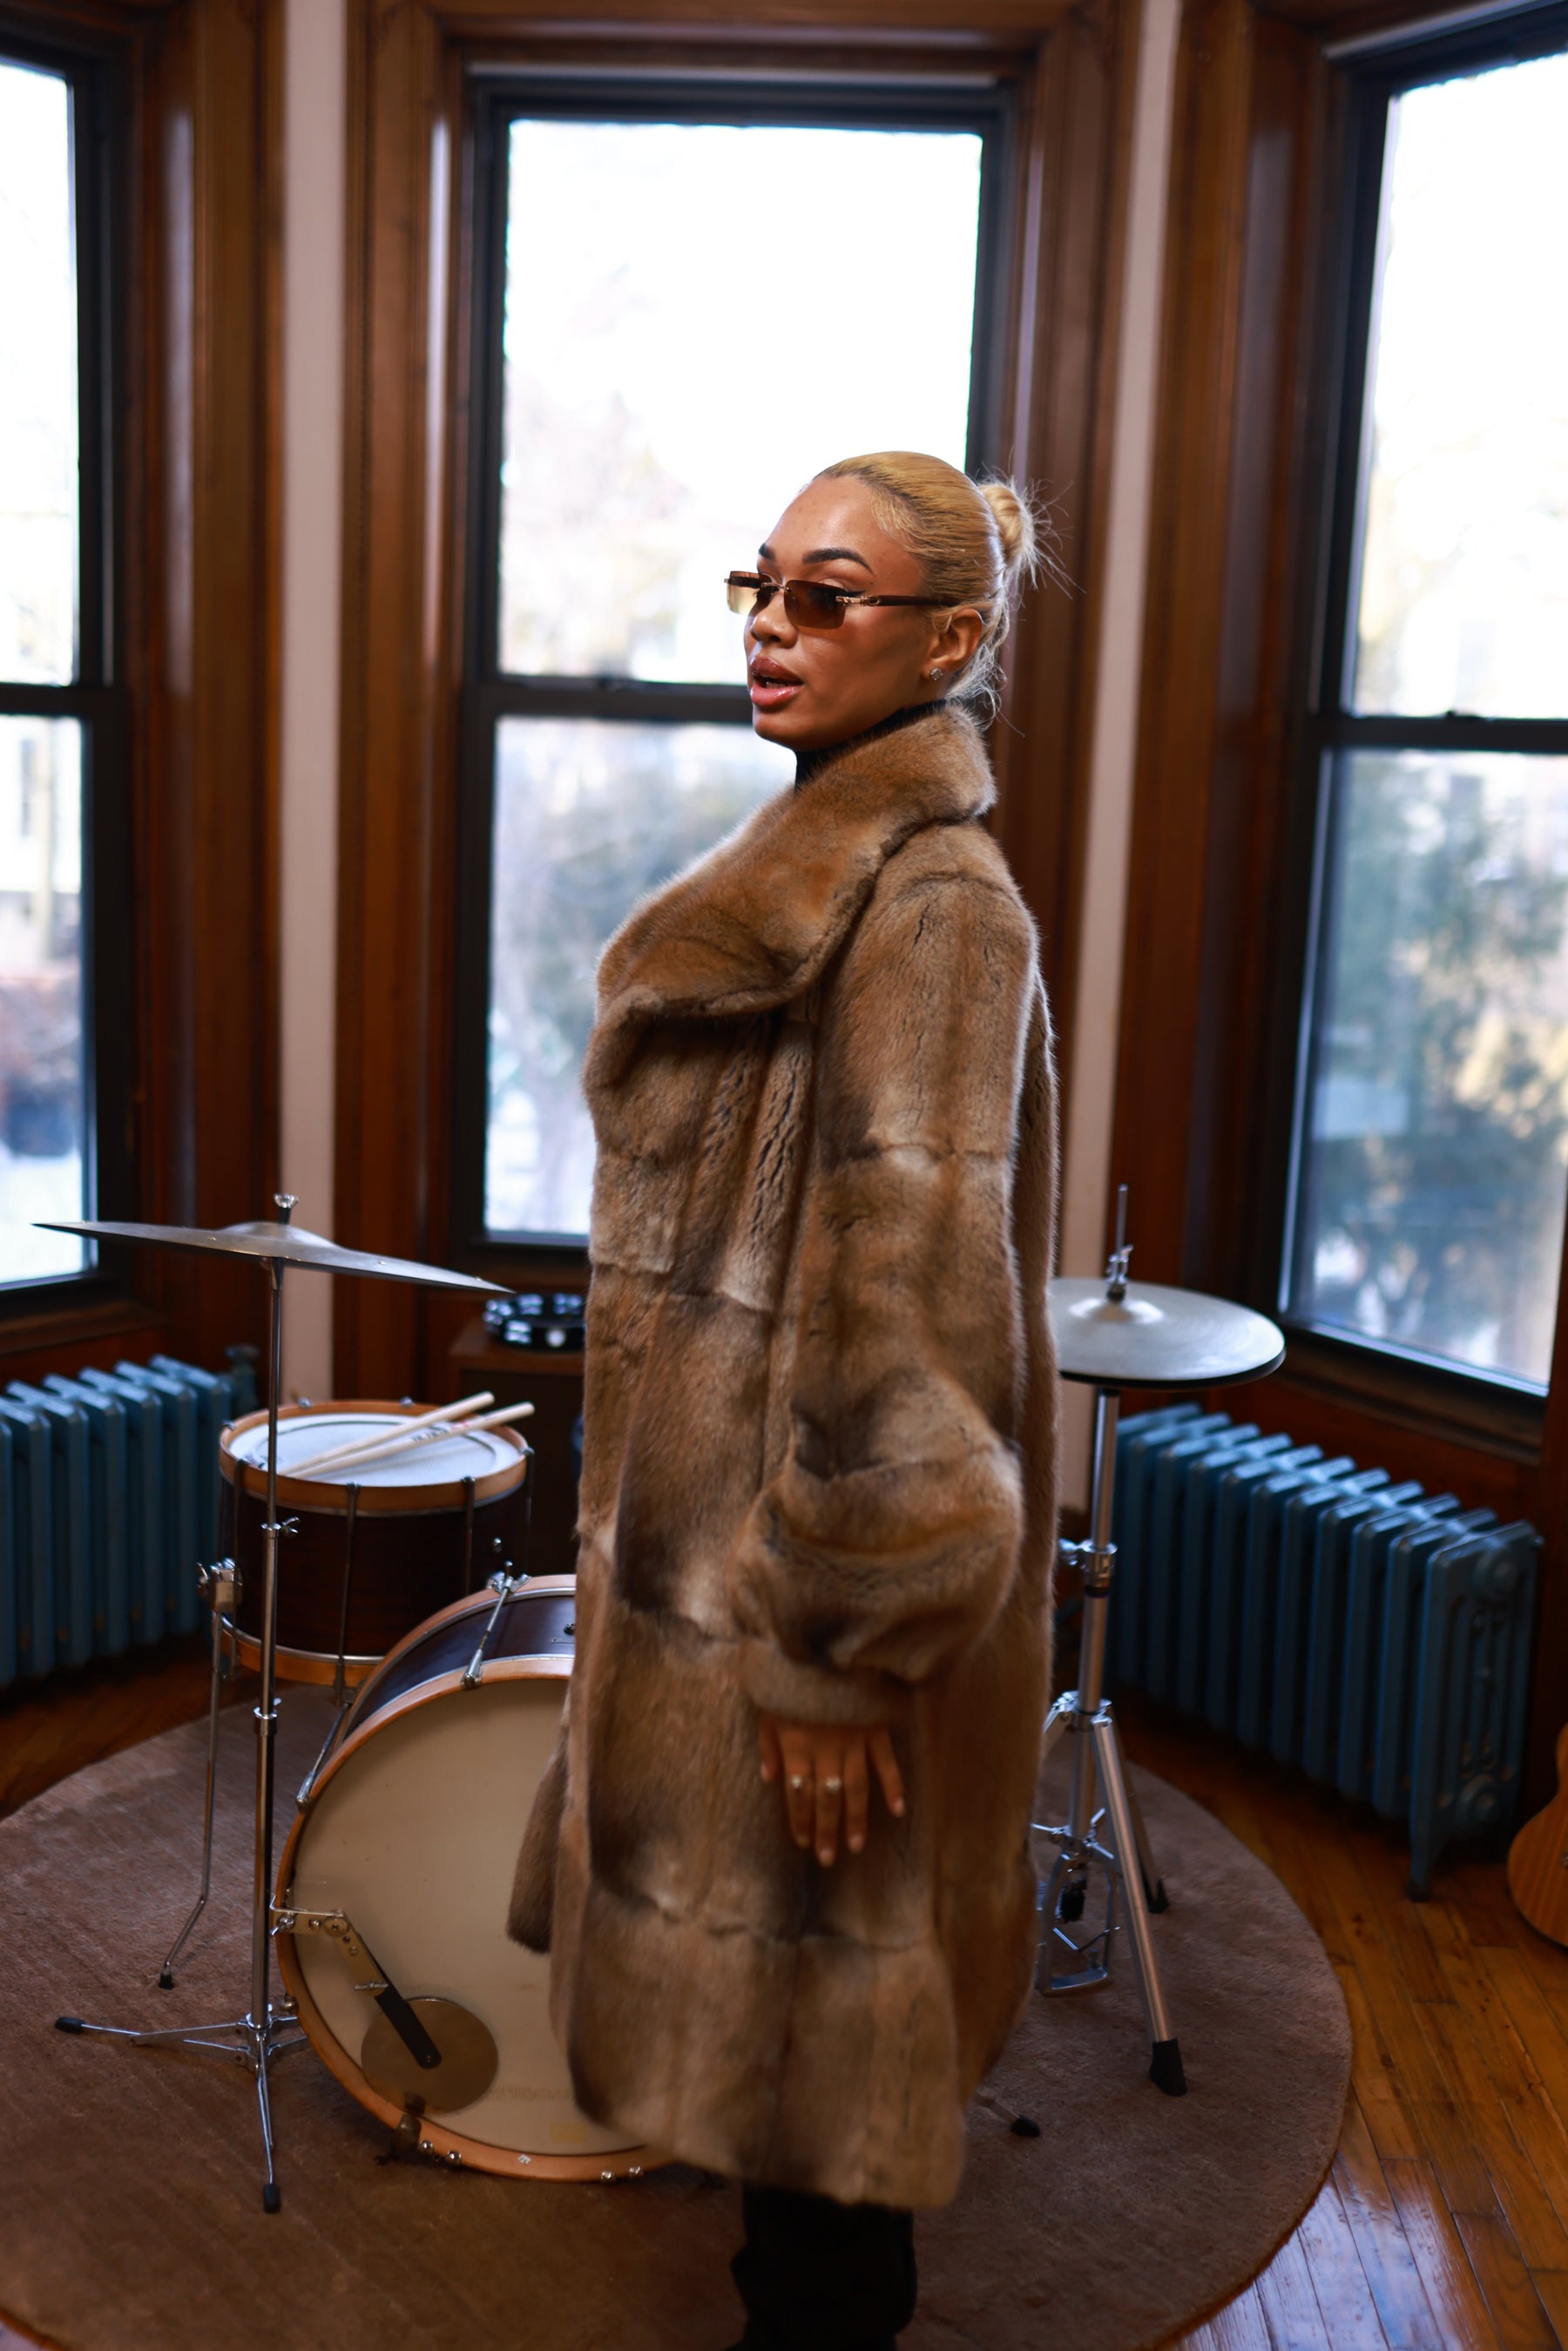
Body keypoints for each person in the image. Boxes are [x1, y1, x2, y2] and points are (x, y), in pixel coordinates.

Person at [509, 449, 1059, 2350]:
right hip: (728, 1594)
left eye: (827, 596)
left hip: (804, 1621)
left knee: (827, 2142)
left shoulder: (935, 911)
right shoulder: (827, 871)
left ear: (950, 641)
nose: (770, 625)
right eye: (762, 584)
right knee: (787, 2135)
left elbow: (905, 1323)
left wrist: (835, 1655)